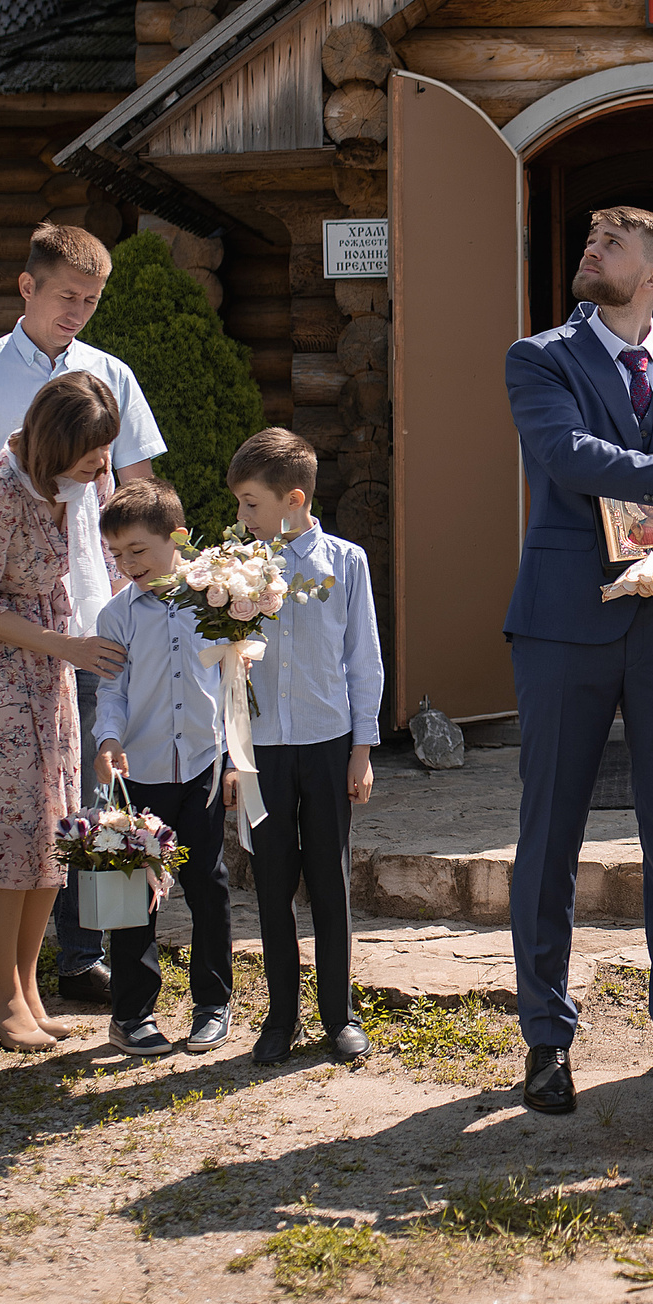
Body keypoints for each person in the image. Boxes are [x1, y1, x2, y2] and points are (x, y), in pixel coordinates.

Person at [502, 207, 653, 1114]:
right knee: (551, 832)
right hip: (568, 621)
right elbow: (568, 457)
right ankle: (546, 1038)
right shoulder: (540, 357)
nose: (590, 248)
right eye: (589, 236)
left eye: (611, 243)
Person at [0, 224, 165, 1008]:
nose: (78, 313)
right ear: (27, 286)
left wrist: (146, 604)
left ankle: (77, 955)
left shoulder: (111, 374)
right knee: (14, 805)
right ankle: (5, 979)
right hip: (5, 624)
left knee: (80, 794)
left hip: (92, 613)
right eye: (68, 296)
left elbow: (135, 499)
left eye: (91, 302)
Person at [0, 372, 126, 1050]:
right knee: (8, 832)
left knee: (53, 826)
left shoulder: (80, 481)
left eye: (105, 449)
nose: (102, 464)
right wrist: (65, 645)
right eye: (91, 451)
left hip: (49, 663)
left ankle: (25, 987)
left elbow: (108, 563)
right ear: (54, 442)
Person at [228, 429, 383, 1065]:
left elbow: (362, 658)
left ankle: (338, 1015)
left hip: (326, 742)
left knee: (328, 877)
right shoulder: (234, 570)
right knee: (271, 881)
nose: (242, 516)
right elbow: (221, 665)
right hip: (262, 749)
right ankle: (280, 1016)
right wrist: (232, 756)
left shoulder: (346, 563)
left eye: (251, 503)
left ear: (294, 500)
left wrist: (362, 749)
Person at [91, 479, 235, 1058]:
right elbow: (112, 690)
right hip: (141, 772)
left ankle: (213, 1004)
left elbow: (234, 683)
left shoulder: (218, 601)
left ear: (177, 538)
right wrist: (108, 740)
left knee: (208, 885)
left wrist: (235, 761)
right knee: (134, 891)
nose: (127, 565)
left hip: (203, 765)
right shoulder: (115, 615)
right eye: (117, 554)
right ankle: (131, 1013)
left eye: (138, 551)